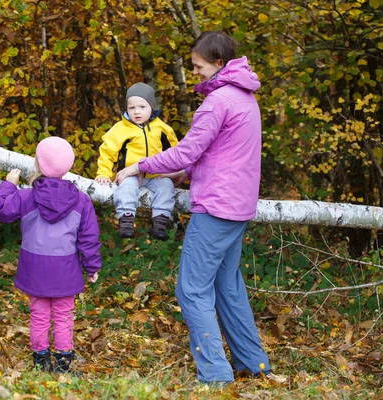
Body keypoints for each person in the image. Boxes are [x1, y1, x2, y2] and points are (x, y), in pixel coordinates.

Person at [116, 32, 271, 385]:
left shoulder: (218, 102)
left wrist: (139, 166)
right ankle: (254, 364)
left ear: (218, 63)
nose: (196, 71)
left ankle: (216, 376)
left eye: (199, 66)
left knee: (191, 290)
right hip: (238, 203)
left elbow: (188, 149)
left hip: (216, 206)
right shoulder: (245, 98)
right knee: (227, 285)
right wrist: (185, 173)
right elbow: (221, 154)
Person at [0, 136, 102, 373]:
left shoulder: (26, 197)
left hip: (35, 270)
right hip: (66, 271)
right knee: (63, 316)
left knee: (39, 315)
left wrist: (9, 184)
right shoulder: (81, 200)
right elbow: (88, 237)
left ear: (38, 165)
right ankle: (62, 364)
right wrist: (92, 266)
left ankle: (41, 363)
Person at [95, 82, 179, 240]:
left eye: (142, 107)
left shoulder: (162, 129)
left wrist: (174, 173)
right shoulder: (120, 129)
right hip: (130, 174)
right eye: (131, 107)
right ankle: (126, 219)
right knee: (126, 187)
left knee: (167, 186)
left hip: (156, 176)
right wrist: (104, 173)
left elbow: (175, 153)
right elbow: (107, 152)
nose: (136, 112)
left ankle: (160, 220)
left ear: (151, 107)